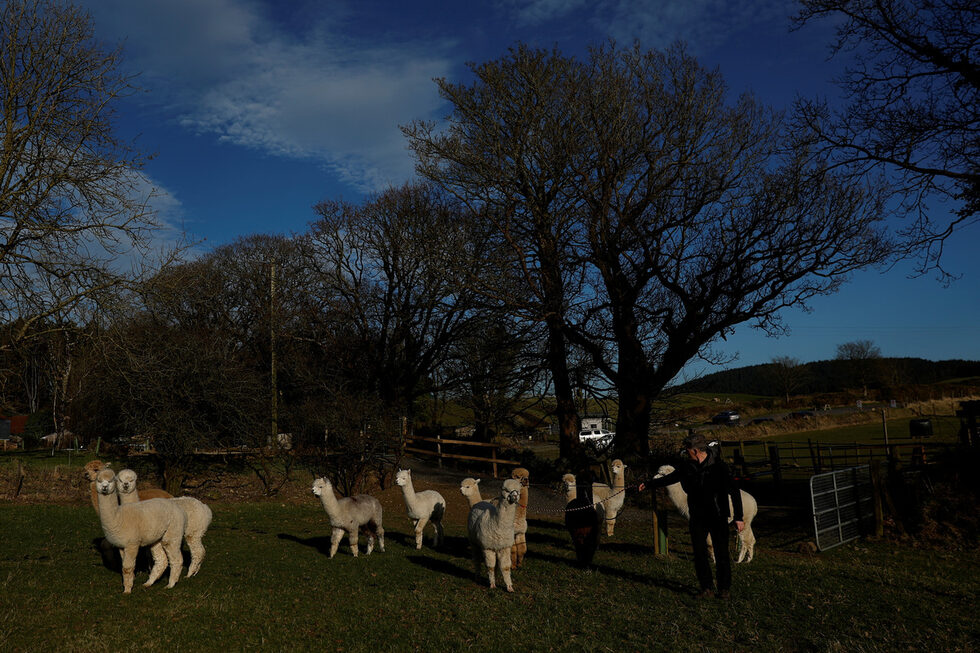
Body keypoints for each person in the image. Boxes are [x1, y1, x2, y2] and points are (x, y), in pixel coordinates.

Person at [639, 433, 744, 599]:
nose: (686, 452)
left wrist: (738, 517)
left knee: (721, 552)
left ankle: (724, 589)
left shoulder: (719, 467)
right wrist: (649, 484)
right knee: (699, 552)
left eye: (687, 450)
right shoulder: (687, 467)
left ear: (695, 450)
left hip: (718, 515)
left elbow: (735, 491)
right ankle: (706, 588)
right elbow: (671, 478)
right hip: (698, 516)